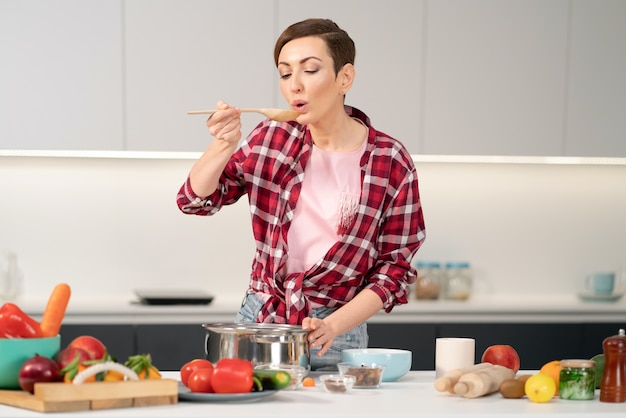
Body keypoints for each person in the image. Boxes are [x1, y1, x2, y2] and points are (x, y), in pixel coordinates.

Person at [177, 18, 426, 370]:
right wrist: (222, 145)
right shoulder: (270, 139)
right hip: (260, 320)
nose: (295, 85)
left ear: (345, 78)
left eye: (310, 70)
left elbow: (394, 270)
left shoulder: (390, 160)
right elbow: (195, 201)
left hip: (337, 332)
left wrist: (332, 325)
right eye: (284, 73)